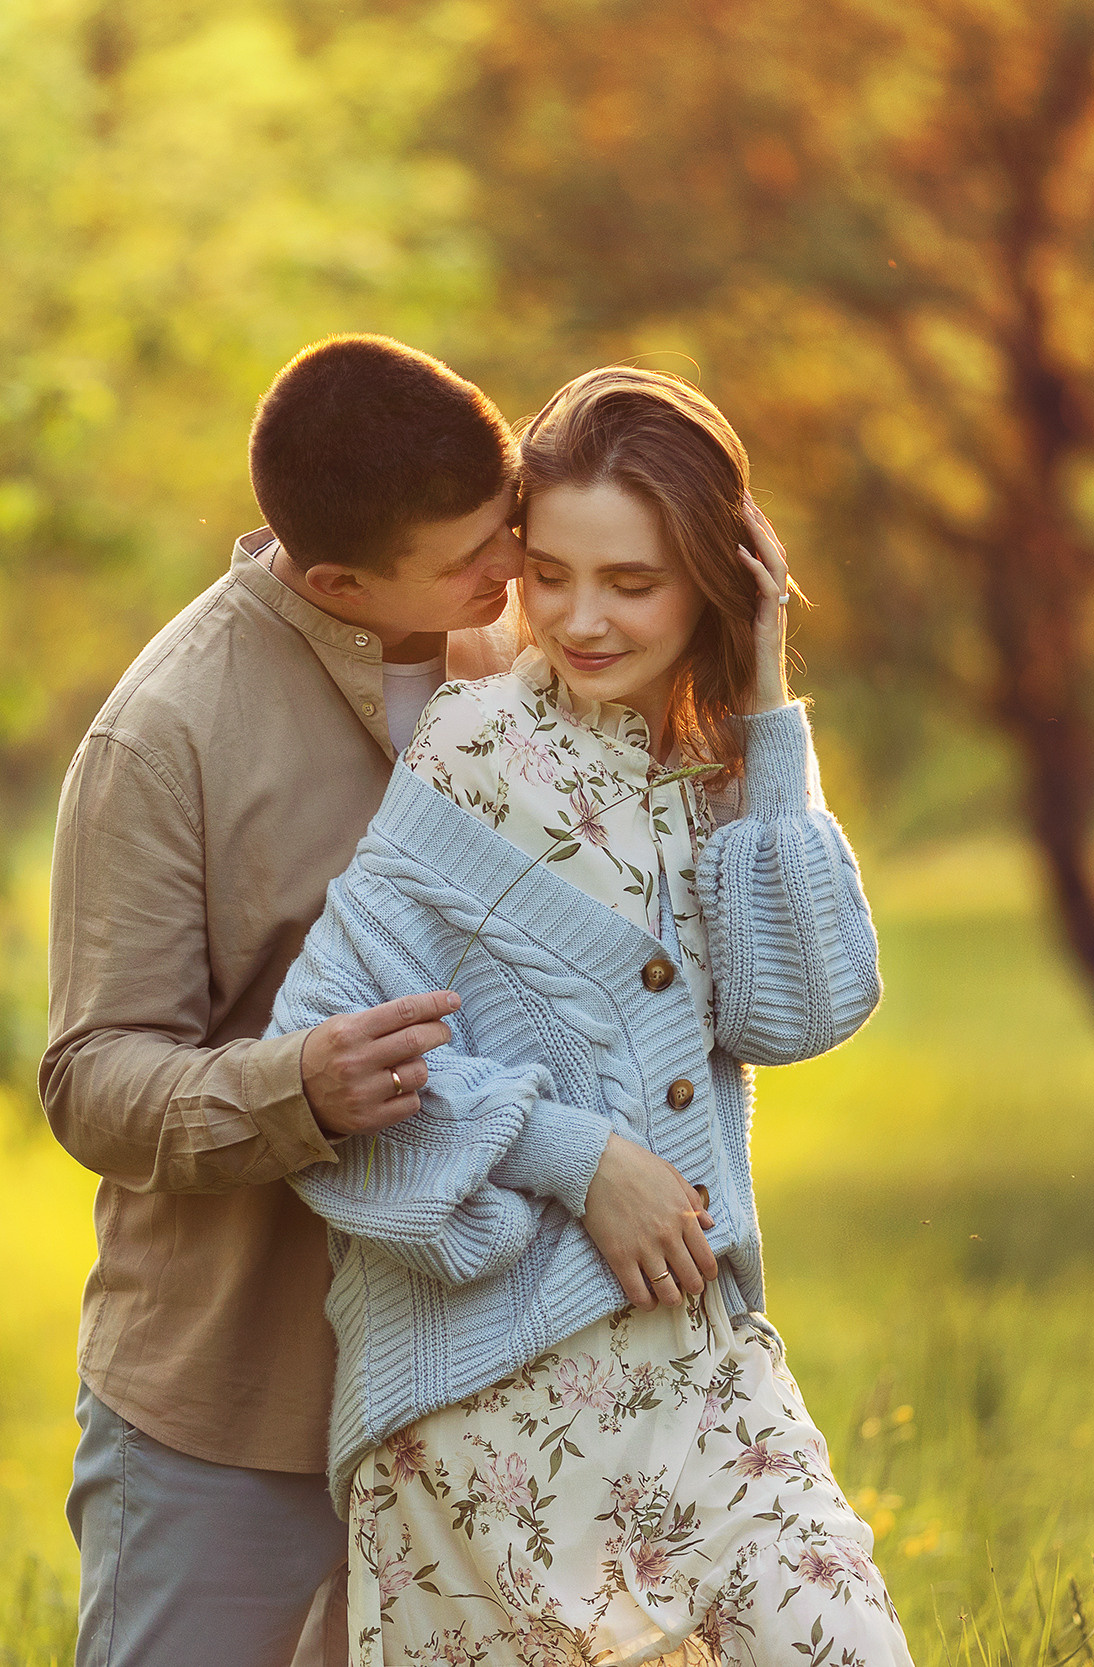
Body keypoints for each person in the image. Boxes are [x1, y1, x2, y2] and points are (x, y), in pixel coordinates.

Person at [267, 367, 912, 1665]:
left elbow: (801, 1009)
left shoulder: (727, 767)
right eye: (550, 575)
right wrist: (581, 1157)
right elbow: (329, 1041)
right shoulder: (477, 746)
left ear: (715, 577)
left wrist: (767, 698)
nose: (579, 618)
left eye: (632, 582)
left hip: (699, 1362)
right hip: (487, 1388)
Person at [41, 334, 529, 1667]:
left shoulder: (525, 664)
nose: (512, 568)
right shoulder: (164, 735)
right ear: (337, 585)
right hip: (234, 1405)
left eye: (510, 522)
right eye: (470, 556)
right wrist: (294, 1087)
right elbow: (89, 1078)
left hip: (474, 1385)